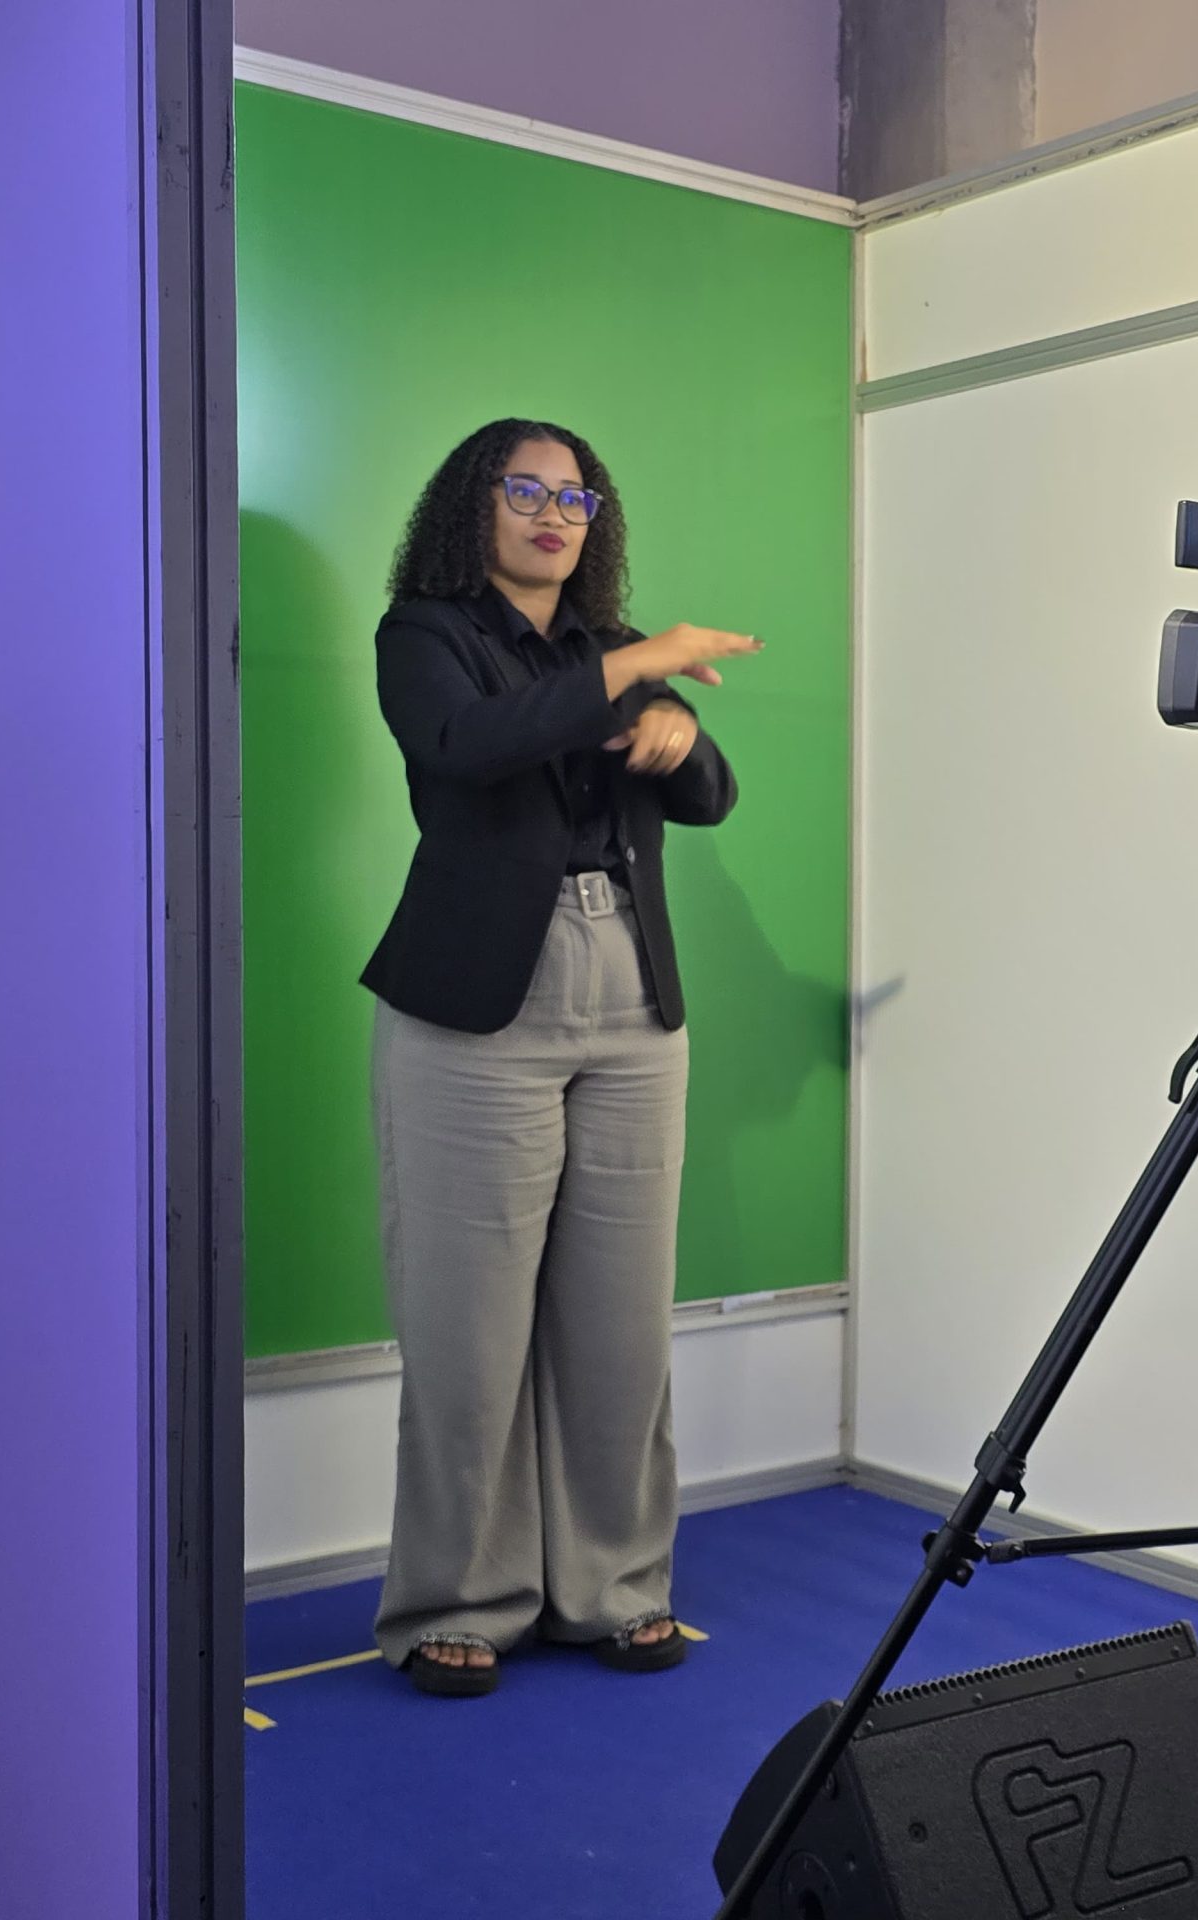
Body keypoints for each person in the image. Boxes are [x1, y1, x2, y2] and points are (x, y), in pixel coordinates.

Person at [358, 417, 759, 1696]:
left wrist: (680, 732)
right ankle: (458, 1601)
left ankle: (614, 1586)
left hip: (632, 998)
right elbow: (465, 747)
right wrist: (638, 669)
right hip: (479, 1005)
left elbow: (708, 798)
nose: (552, 514)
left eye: (575, 498)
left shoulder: (608, 651)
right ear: (471, 503)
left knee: (620, 1327)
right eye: (524, 490)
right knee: (467, 1335)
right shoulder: (426, 634)